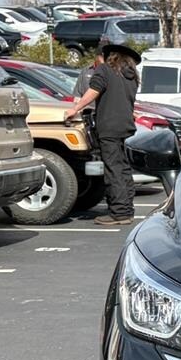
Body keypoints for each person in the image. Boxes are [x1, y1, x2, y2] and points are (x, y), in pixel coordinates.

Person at [65, 44, 140, 226]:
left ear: (108, 57)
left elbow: (93, 91)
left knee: (113, 170)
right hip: (126, 126)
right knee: (123, 169)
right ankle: (126, 210)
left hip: (109, 127)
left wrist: (74, 108)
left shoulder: (105, 71)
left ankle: (118, 213)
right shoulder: (132, 76)